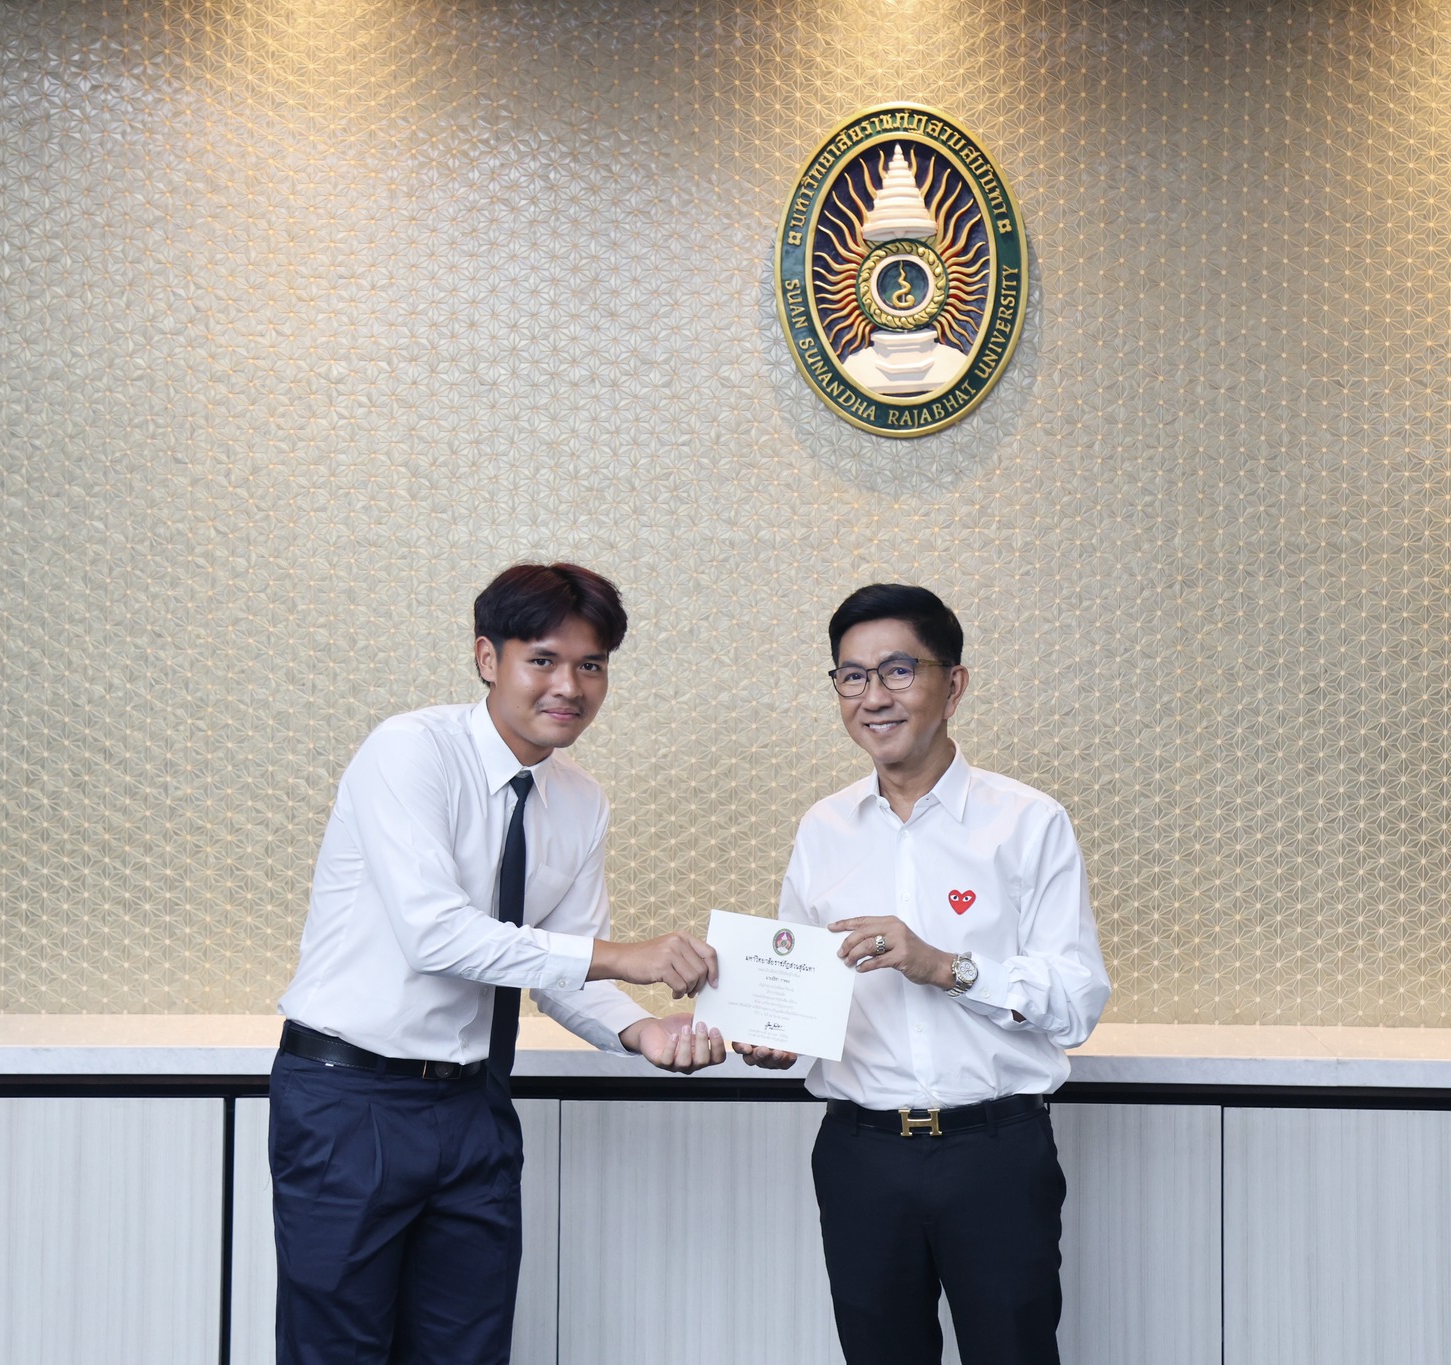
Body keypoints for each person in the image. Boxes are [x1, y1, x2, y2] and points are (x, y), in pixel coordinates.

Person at [271, 562, 727, 1365]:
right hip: (350, 1100)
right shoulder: (410, 750)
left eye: (591, 665)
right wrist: (628, 956)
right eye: (543, 659)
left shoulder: (580, 801)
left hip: (475, 1108)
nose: (570, 686)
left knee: (469, 1350)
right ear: (488, 658)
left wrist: (642, 1032)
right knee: (336, 1351)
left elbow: (563, 970)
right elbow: (436, 935)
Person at [735, 583, 1111, 1365]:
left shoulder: (1028, 821)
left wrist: (943, 965)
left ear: (954, 684)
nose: (873, 696)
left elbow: (1076, 1002)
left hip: (995, 1151)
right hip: (861, 1154)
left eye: (898, 671)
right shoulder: (822, 828)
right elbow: (801, 994)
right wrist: (775, 1038)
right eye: (852, 676)